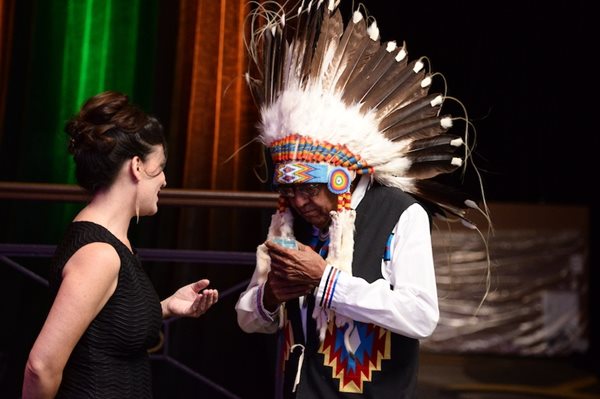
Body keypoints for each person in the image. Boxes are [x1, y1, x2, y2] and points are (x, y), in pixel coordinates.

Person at [236, 1, 489, 398]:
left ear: (342, 176)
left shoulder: (401, 213)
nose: (299, 203)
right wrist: (269, 296)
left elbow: (421, 316)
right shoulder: (290, 223)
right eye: (288, 191)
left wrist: (326, 282)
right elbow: (249, 318)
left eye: (309, 189)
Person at [22, 90, 219, 398]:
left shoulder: (114, 242)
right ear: (137, 166)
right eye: (160, 166)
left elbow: (105, 325)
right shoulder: (99, 254)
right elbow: (41, 365)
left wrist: (166, 307)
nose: (164, 180)